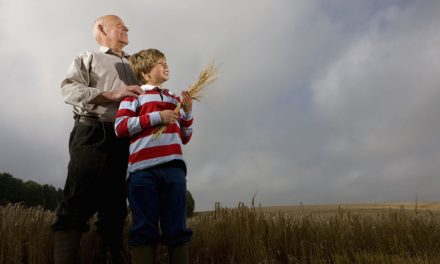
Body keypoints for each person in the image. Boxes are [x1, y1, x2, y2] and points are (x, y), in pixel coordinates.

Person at [51, 15, 144, 264]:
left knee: (115, 205)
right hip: (92, 131)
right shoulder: (87, 58)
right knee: (77, 199)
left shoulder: (139, 63)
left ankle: (112, 255)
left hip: (124, 137)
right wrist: (111, 93)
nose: (127, 27)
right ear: (102, 29)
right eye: (120, 25)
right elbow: (69, 89)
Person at [114, 48, 193, 264]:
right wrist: (158, 117)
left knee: (177, 228)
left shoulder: (173, 98)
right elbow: (120, 127)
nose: (166, 66)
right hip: (142, 171)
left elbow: (185, 136)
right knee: (144, 228)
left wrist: (187, 111)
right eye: (160, 63)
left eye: (166, 62)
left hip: (174, 168)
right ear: (146, 73)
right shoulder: (135, 97)